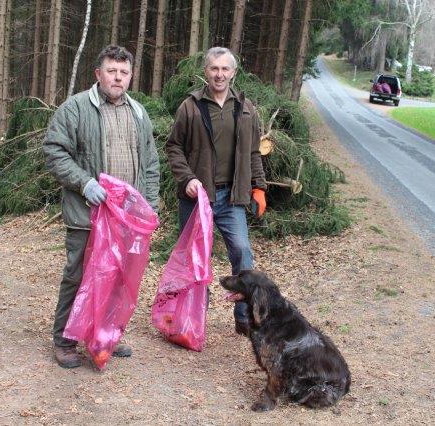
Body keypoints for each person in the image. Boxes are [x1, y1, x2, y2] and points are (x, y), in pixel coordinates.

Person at [43, 45, 160, 368]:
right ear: (98, 74)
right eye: (112, 71)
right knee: (78, 276)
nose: (118, 78)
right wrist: (84, 182)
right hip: (87, 214)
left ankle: (105, 336)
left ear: (131, 76)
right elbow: (54, 152)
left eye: (124, 73)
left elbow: (150, 163)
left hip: (126, 219)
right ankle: (65, 341)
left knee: (116, 279)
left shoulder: (138, 113)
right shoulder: (76, 109)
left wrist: (149, 207)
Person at [165, 46, 267, 335]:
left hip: (232, 197)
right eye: (214, 68)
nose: (219, 74)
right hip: (198, 198)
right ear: (206, 72)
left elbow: (254, 152)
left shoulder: (246, 108)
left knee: (243, 253)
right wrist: (187, 179)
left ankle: (244, 317)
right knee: (195, 260)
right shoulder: (191, 106)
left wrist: (258, 188)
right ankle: (194, 316)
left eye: (225, 69)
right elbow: (173, 147)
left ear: (233, 73)